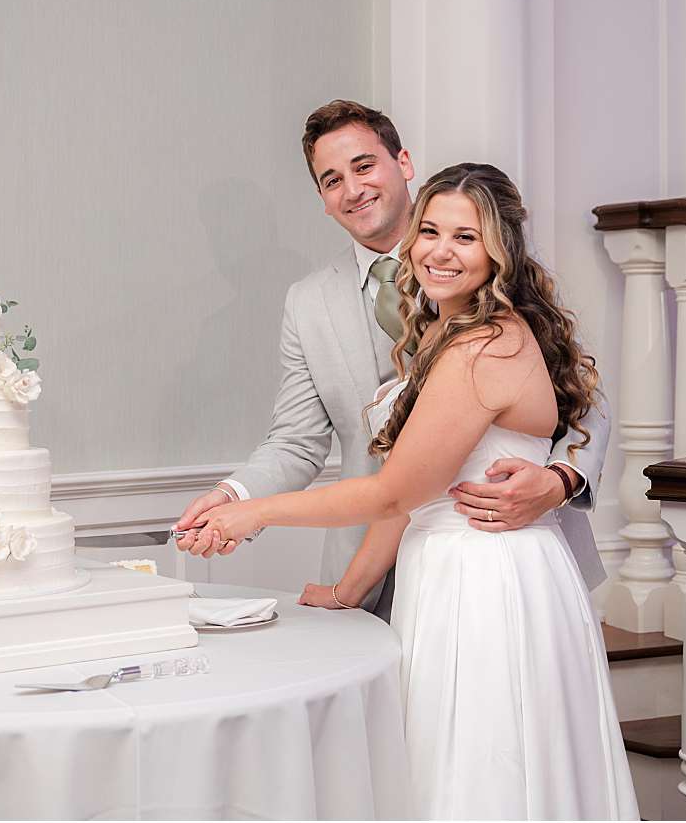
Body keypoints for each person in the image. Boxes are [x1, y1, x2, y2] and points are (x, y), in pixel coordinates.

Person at [193, 164, 639, 819]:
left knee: (488, 773)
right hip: (456, 568)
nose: (439, 249)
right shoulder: (445, 333)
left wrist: (252, 512)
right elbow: (414, 497)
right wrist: (348, 590)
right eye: (431, 232)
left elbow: (392, 492)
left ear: (500, 249)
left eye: (465, 236)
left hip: (485, 581)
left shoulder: (482, 345)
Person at [173, 100, 609, 616]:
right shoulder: (307, 303)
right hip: (366, 562)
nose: (353, 189)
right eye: (332, 180)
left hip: (493, 554)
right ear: (322, 199)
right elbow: (295, 442)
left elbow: (579, 391)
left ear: (403, 164)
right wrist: (234, 495)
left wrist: (558, 481)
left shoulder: (482, 271)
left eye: (364, 166)